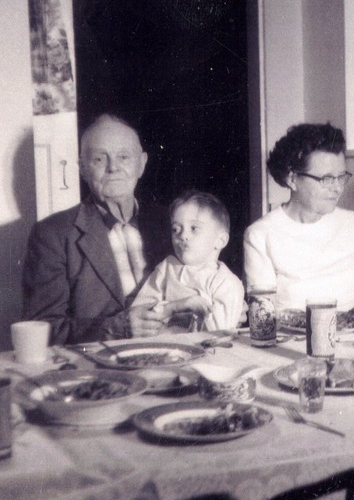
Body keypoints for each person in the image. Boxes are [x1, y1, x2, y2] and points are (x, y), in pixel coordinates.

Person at [22, 114, 178, 344]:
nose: (113, 168)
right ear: (83, 169)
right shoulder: (52, 234)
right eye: (99, 159)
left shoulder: (171, 223)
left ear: (141, 164)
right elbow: (40, 329)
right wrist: (115, 328)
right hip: (99, 370)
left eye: (124, 157)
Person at [243, 123, 354, 311]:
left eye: (341, 177)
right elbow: (264, 317)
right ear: (292, 179)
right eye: (326, 179)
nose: (337, 188)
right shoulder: (260, 235)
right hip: (294, 339)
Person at [131, 190, 245, 332]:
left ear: (220, 240)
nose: (183, 235)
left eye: (194, 228)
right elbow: (140, 313)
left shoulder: (226, 282)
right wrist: (175, 306)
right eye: (176, 229)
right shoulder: (167, 267)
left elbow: (219, 332)